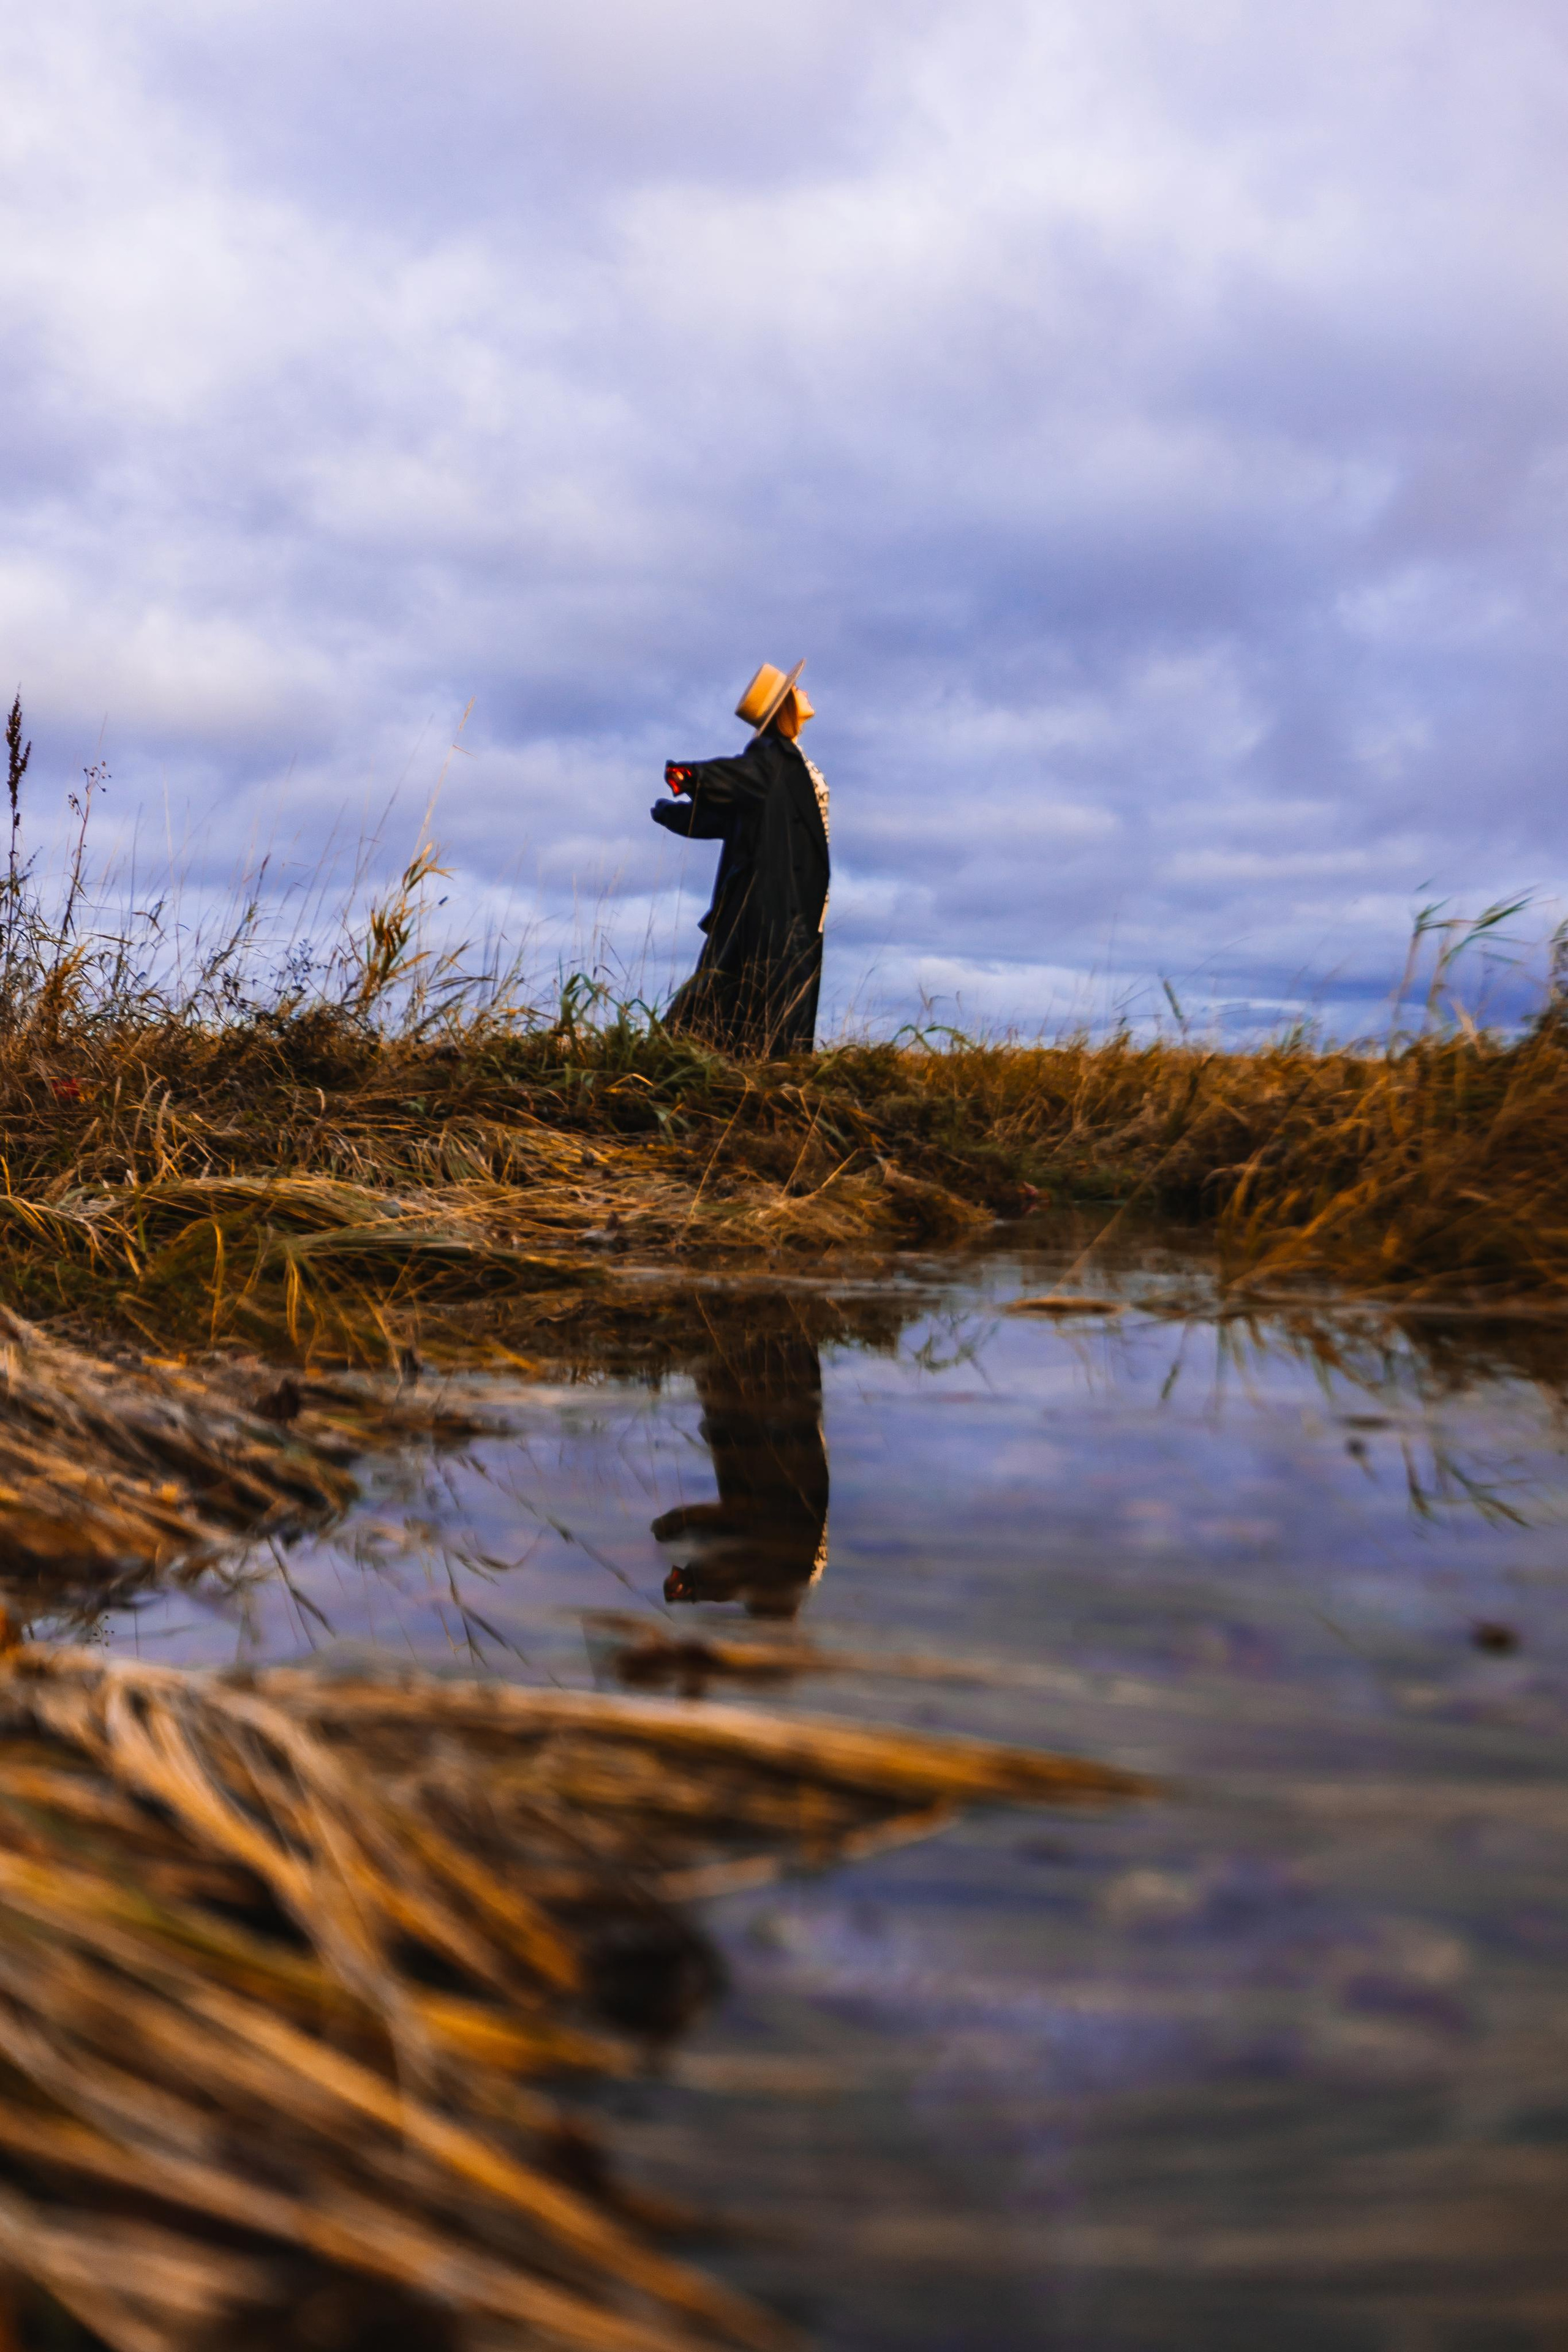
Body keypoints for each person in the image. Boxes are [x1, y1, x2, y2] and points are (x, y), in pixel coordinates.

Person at [650, 660, 830, 1056]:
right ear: (783, 705)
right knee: (758, 993)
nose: (804, 692)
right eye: (795, 689)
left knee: (753, 992)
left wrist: (675, 811)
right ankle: (729, 1071)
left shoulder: (786, 761)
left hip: (799, 901)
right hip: (774, 902)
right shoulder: (771, 760)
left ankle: (691, 1061)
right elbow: (732, 777)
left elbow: (728, 815)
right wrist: (688, 777)